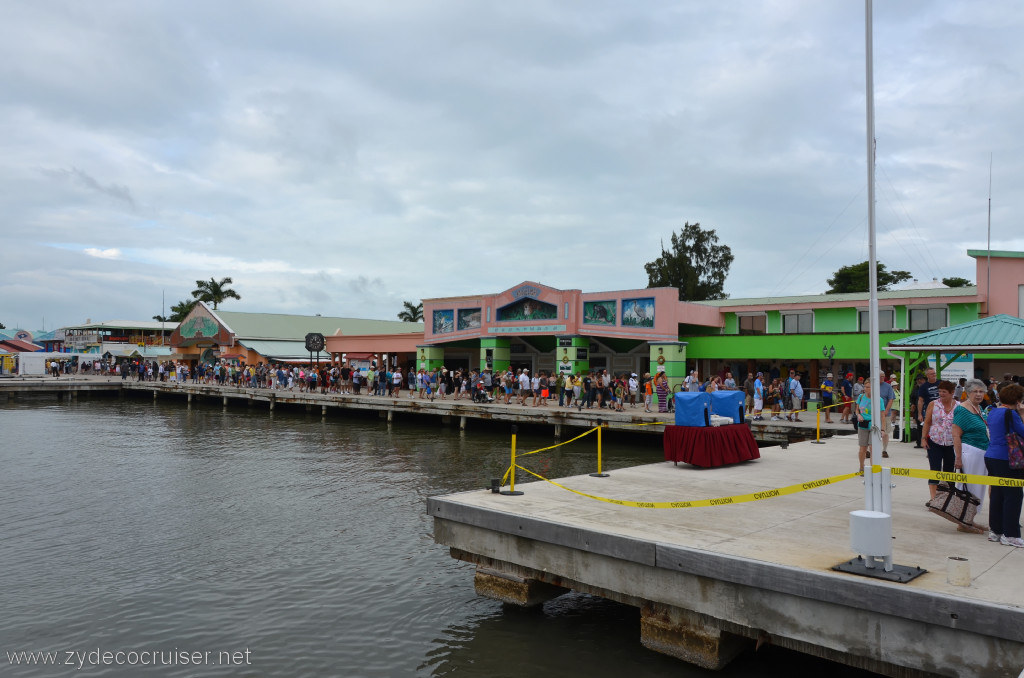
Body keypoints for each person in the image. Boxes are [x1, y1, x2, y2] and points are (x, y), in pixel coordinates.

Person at [984, 383, 1024, 548]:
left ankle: (996, 531)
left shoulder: (993, 412)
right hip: (1008, 458)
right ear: (1017, 400)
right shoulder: (1011, 413)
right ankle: (1011, 534)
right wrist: (1021, 413)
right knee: (1013, 495)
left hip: (992, 456)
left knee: (998, 494)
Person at [951, 378, 990, 533]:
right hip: (970, 452)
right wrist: (958, 458)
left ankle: (970, 519)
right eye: (975, 391)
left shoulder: (978, 408)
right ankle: (963, 522)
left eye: (981, 391)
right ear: (967, 392)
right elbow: (956, 435)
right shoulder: (962, 409)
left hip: (981, 453)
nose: (979, 394)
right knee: (968, 488)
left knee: (977, 488)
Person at [921, 380, 958, 501]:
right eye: (940, 391)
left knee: (949, 471)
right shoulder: (933, 404)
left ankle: (947, 497)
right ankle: (934, 498)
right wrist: (923, 438)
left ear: (952, 393)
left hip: (951, 443)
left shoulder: (958, 406)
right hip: (934, 441)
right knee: (935, 469)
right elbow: (927, 422)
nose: (941, 394)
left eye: (944, 392)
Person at [854, 379, 875, 474]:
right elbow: (857, 409)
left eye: (868, 387)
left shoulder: (877, 398)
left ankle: (873, 468)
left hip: (873, 425)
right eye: (865, 387)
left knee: (872, 448)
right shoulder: (861, 397)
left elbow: (882, 413)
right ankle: (862, 467)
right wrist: (858, 415)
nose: (865, 389)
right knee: (863, 448)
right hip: (863, 424)